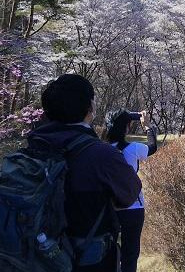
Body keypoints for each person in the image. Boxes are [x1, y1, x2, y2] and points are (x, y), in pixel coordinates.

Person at [29, 74, 142, 272]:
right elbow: (129, 194)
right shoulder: (102, 154)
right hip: (88, 260)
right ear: (90, 107)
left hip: (34, 257)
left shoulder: (32, 148)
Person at [105, 109, 158, 272]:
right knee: (131, 252)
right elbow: (152, 147)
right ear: (127, 127)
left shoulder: (102, 150)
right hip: (133, 206)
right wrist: (147, 127)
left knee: (107, 250)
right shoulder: (133, 149)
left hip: (109, 207)